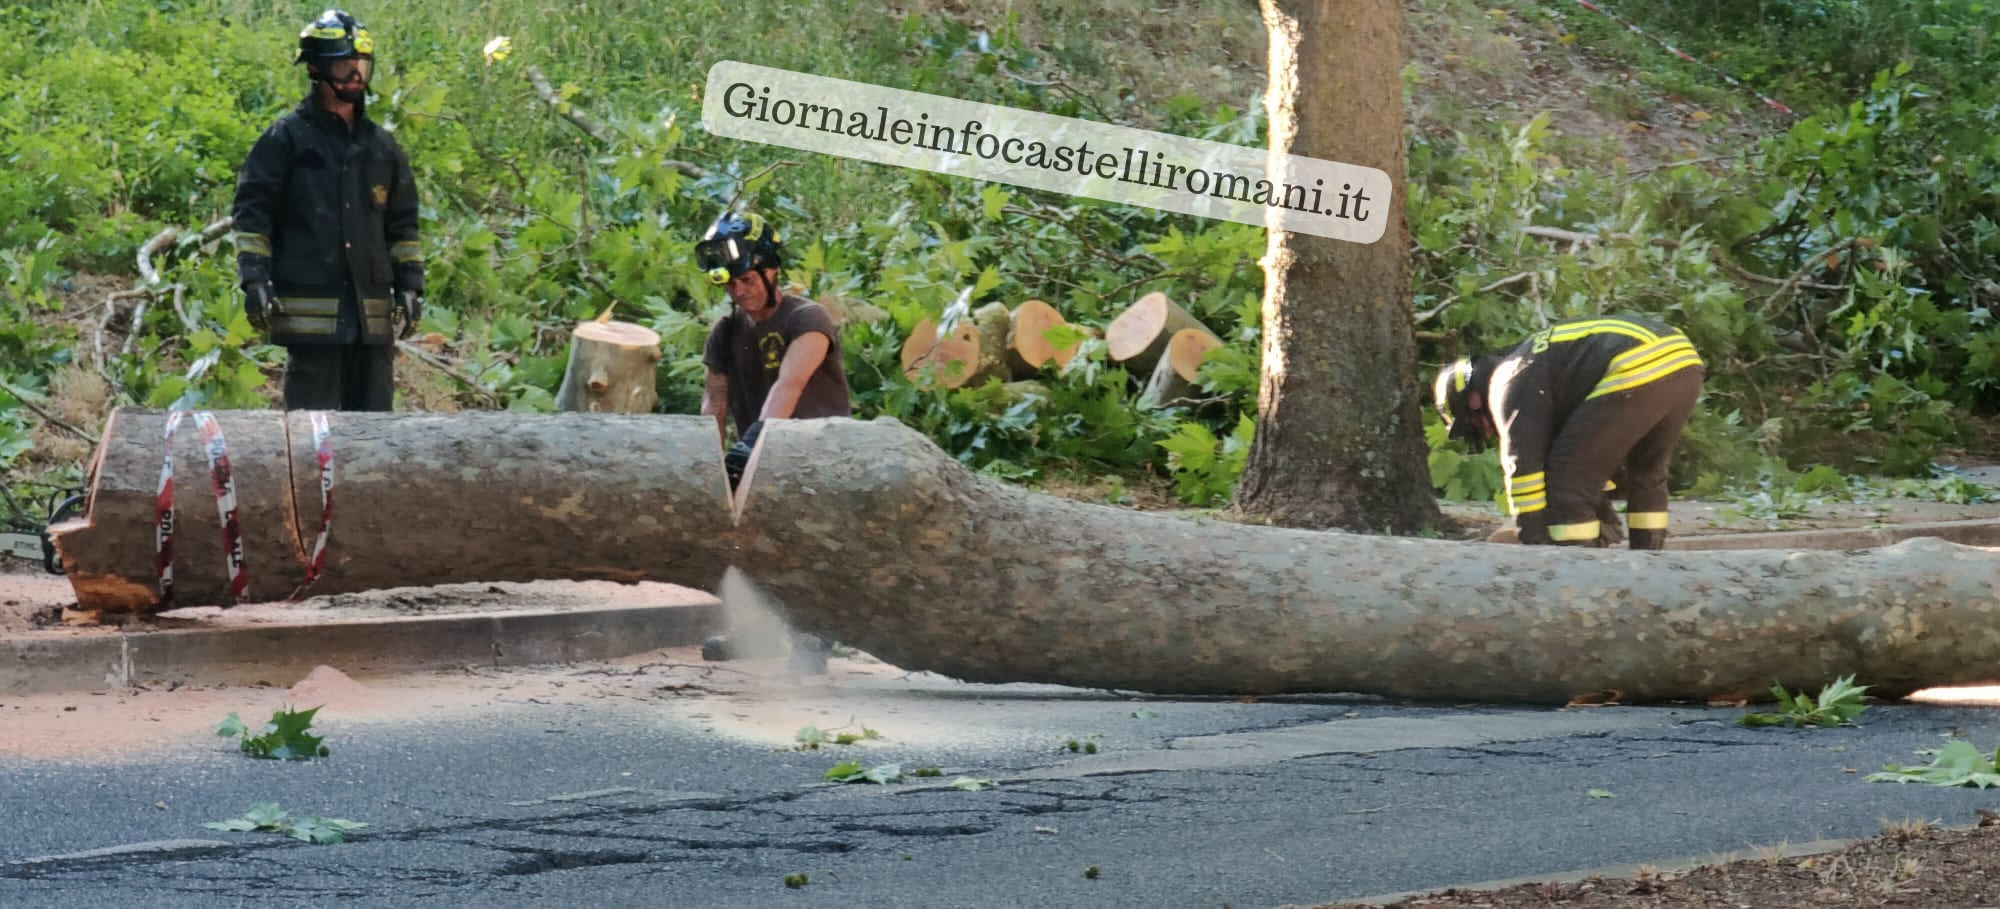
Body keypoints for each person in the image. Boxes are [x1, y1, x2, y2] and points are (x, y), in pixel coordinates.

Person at [232, 9, 424, 412]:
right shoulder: (285, 140)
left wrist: (410, 284)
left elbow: (403, 226)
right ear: (316, 69)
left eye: (362, 64)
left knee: (375, 437)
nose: (356, 74)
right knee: (311, 440)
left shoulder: (383, 149)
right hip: (311, 322)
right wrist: (255, 279)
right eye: (344, 64)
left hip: (371, 321)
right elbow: (253, 214)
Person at [1432, 314, 1705, 551]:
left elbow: (1523, 474)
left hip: (1636, 361)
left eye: (1475, 426)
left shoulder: (1508, 380)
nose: (1487, 433)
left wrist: (1535, 547)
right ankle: (1650, 568)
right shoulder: (1536, 366)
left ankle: (1580, 577)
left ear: (1472, 401)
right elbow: (1593, 451)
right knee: (1647, 473)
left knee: (1566, 484)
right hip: (1683, 360)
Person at [696, 211, 852, 488]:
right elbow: (714, 403)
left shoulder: (808, 318)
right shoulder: (725, 331)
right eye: (731, 284)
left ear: (771, 270)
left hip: (828, 460)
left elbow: (789, 384)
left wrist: (752, 444)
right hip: (767, 468)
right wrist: (708, 466)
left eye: (747, 280)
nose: (739, 291)